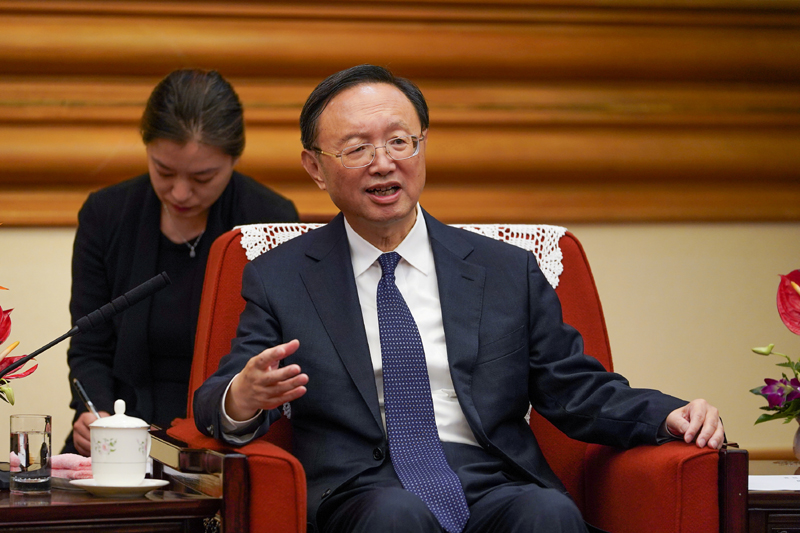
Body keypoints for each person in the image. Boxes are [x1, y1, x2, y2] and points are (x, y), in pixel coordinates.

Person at [193, 64, 724, 533]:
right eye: (357, 149)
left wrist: (667, 415)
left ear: (422, 146)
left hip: (490, 478)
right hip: (363, 489)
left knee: (548, 513)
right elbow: (219, 397)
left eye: (400, 141)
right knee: (395, 516)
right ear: (315, 167)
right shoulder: (281, 277)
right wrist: (245, 395)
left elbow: (574, 388)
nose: (383, 163)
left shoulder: (505, 270)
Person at [63, 68, 299, 456]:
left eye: (202, 178)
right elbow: (89, 346)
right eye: (164, 171)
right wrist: (96, 412)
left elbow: (270, 353)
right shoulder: (106, 215)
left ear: (234, 159)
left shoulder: (268, 220)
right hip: (120, 435)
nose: (180, 192)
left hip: (219, 441)